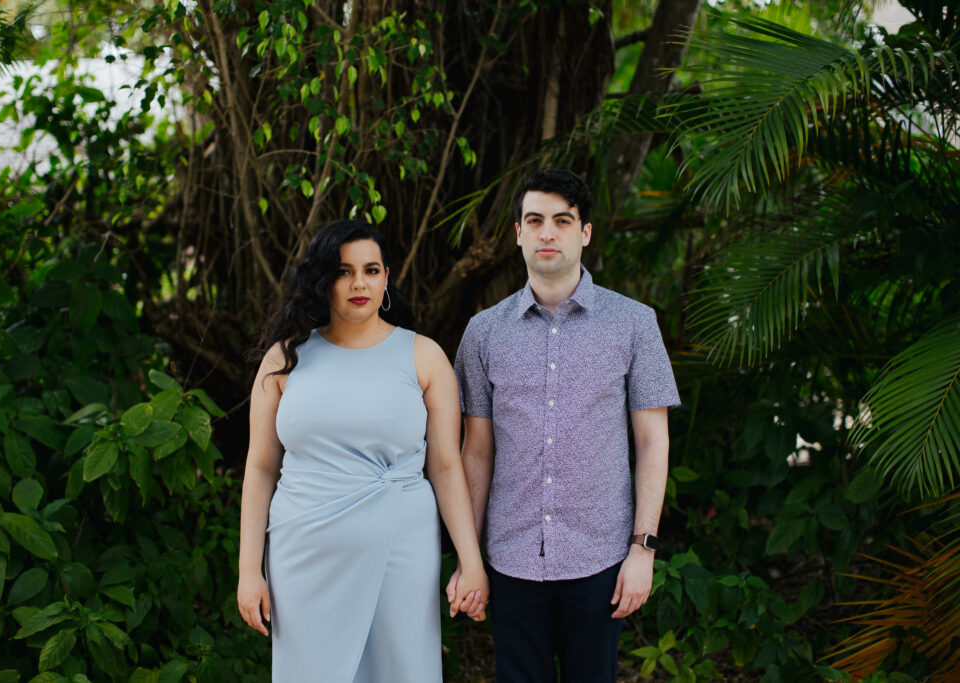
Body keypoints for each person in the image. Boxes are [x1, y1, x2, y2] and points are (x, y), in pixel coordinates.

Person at [448, 169, 680, 682]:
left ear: (585, 232)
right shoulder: (483, 333)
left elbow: (652, 441)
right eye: (535, 221)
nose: (547, 233)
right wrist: (470, 558)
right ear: (517, 233)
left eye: (561, 220)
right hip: (511, 558)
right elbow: (476, 450)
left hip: (600, 558)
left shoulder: (634, 323)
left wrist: (643, 550)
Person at [237, 219, 489, 682]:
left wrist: (470, 563)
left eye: (371, 270)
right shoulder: (284, 358)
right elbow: (259, 466)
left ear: (387, 278)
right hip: (303, 553)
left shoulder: (424, 356)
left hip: (401, 547)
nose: (359, 283)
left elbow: (447, 466)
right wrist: (248, 571)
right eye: (343, 271)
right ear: (322, 280)